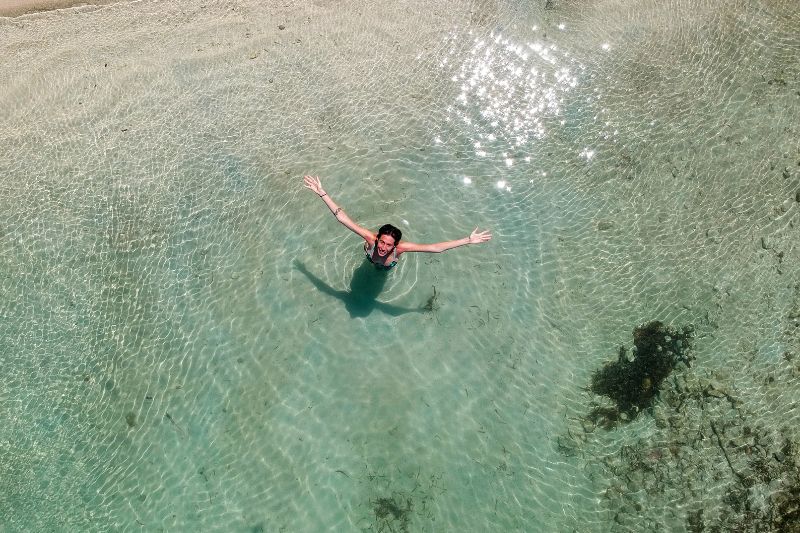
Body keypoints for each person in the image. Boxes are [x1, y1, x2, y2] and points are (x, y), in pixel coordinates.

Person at [303, 175, 492, 270]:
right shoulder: (370, 240)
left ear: (396, 245)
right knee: (370, 262)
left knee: (382, 271)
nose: (384, 247)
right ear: (377, 238)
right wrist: (322, 193)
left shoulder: (400, 250)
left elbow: (435, 248)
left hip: (387, 268)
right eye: (382, 242)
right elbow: (342, 218)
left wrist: (467, 240)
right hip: (368, 259)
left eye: (389, 244)